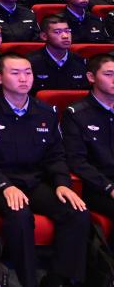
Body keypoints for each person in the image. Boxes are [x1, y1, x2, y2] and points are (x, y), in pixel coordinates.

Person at [0, 54, 89, 287]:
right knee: (20, 215)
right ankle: (28, 280)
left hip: (35, 181)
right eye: (15, 73)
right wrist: (5, 185)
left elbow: (55, 155)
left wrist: (63, 183)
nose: (23, 78)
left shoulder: (46, 111)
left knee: (77, 212)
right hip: (0, 183)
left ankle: (58, 278)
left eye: (28, 72)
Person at [63, 54, 114, 218]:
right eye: (109, 74)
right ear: (91, 77)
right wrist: (109, 187)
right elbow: (76, 161)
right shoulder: (76, 114)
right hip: (98, 186)